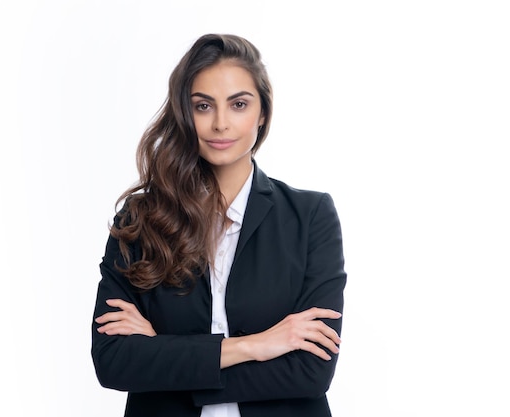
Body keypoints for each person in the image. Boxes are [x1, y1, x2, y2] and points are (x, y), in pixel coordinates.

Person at [91, 33, 347, 417]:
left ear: (262, 113)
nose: (220, 123)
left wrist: (165, 352)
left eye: (239, 104)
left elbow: (311, 370)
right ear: (184, 113)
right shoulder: (141, 219)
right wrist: (256, 345)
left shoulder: (309, 216)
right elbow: (113, 360)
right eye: (203, 106)